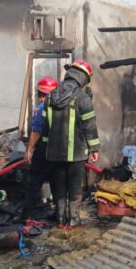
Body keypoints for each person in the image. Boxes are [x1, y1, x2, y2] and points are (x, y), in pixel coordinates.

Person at [41, 60, 100, 228]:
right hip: (77, 154)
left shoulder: (50, 97)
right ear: (83, 78)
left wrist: (47, 148)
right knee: (74, 186)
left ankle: (60, 221)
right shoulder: (83, 98)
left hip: (53, 154)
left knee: (58, 185)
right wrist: (94, 148)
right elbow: (90, 127)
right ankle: (73, 220)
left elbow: (45, 129)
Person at [21, 76, 58, 222]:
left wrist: (29, 150)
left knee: (34, 183)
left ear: (39, 93)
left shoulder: (42, 107)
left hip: (43, 152)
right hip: (59, 152)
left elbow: (36, 130)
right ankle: (60, 216)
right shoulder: (64, 106)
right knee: (57, 185)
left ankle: (26, 216)